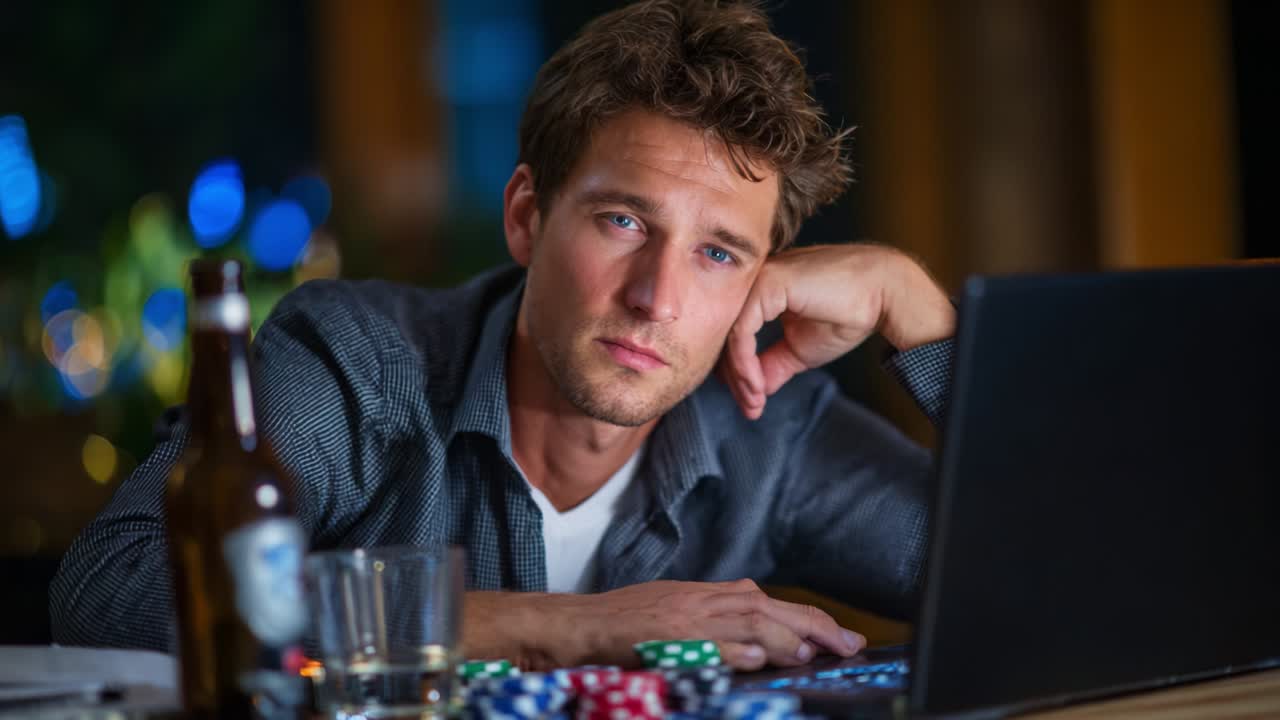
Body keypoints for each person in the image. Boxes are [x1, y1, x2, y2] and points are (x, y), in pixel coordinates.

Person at [51, 0, 957, 672]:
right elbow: (113, 592)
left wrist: (919, 314)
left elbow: (1061, 583)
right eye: (625, 223)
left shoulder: (772, 427)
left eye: (719, 253)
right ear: (527, 215)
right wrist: (570, 624)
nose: (657, 298)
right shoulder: (353, 365)